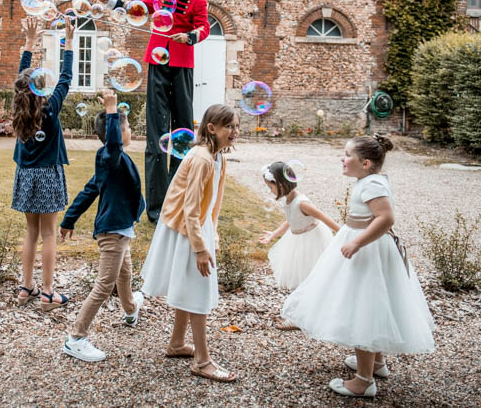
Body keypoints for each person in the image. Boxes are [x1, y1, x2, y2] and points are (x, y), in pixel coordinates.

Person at [280, 135, 434, 399]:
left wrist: (357, 243)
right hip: (365, 246)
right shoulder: (369, 181)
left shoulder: (372, 184)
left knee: (362, 308)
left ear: (365, 163)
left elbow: (386, 218)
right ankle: (376, 363)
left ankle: (363, 381)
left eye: (347, 154)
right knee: (372, 305)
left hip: (367, 251)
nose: (342, 158)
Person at [94, 0, 210, 223]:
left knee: (182, 133)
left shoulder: (199, 2)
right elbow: (139, 8)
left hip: (182, 65)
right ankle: (156, 209)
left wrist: (189, 36)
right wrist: (111, 0)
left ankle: (178, 201)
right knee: (156, 134)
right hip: (158, 62)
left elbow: (204, 28)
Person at [139, 103, 240, 383]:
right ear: (211, 128)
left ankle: (176, 343)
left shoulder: (218, 157)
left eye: (237, 126)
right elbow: (189, 207)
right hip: (185, 229)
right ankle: (202, 361)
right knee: (198, 290)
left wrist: (213, 235)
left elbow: (213, 205)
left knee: (190, 285)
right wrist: (199, 247)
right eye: (229, 126)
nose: (235, 132)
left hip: (198, 226)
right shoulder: (202, 159)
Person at [58, 88, 146, 363]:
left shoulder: (110, 163)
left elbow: (89, 190)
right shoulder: (110, 156)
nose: (130, 129)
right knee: (105, 284)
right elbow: (113, 146)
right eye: (127, 126)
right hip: (113, 232)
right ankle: (76, 338)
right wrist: (111, 110)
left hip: (122, 229)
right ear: (117, 133)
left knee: (125, 276)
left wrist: (69, 219)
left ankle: (131, 310)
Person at [11, 17, 76, 310]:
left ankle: (26, 287)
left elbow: (20, 77)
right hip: (48, 174)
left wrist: (29, 43)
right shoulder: (51, 107)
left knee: (31, 232)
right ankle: (48, 292)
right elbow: (66, 78)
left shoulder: (21, 107)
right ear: (41, 88)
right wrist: (70, 42)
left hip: (25, 174)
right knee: (49, 234)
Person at [258, 161, 339, 329]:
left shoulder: (302, 203)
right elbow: (290, 220)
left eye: (271, 187)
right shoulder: (288, 199)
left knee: (311, 278)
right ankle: (304, 314)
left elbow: (324, 217)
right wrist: (273, 234)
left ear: (280, 184)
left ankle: (304, 317)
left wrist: (343, 234)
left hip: (311, 241)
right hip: (297, 239)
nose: (270, 191)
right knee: (303, 279)